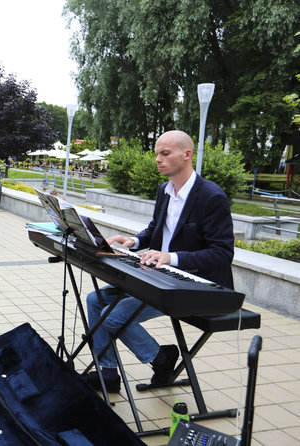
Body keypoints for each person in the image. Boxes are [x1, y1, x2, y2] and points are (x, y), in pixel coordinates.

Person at [83, 130, 235, 393]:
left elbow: (223, 253)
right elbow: (155, 230)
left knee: (112, 318)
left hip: (198, 285)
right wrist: (134, 241)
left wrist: (171, 257)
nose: (158, 160)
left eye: (165, 154)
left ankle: (161, 358)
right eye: (157, 154)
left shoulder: (212, 196)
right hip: (162, 275)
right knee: (94, 300)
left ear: (186, 155)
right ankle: (107, 373)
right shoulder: (165, 190)